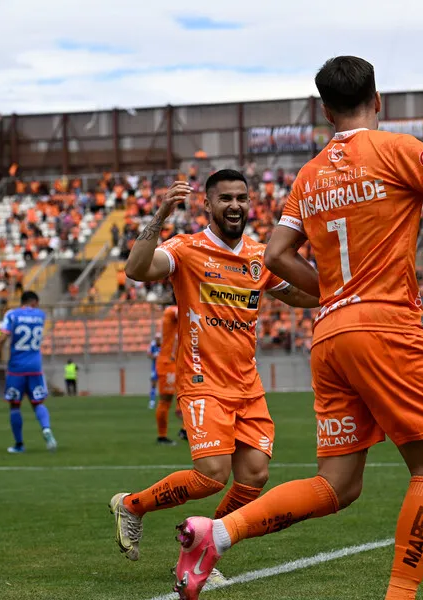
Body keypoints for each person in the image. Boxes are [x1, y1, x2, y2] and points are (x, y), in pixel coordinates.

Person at [171, 56, 423, 599]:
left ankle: (218, 533)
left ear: (325, 111)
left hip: (330, 335)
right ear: (378, 100)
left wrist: (335, 293)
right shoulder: (396, 149)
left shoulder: (310, 175)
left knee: (338, 483)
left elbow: (276, 254)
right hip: (387, 326)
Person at [109, 170, 319, 577]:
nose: (235, 205)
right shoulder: (186, 249)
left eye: (241, 197)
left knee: (254, 475)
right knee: (211, 476)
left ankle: (202, 550)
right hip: (202, 382)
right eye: (225, 198)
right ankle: (132, 505)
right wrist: (160, 215)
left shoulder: (261, 256)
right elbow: (136, 268)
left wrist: (342, 289)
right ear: (207, 204)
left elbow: (299, 294)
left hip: (247, 385)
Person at [0, 291, 58, 453]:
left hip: (16, 368)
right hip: (35, 367)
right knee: (37, 403)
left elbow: (2, 338)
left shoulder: (12, 315)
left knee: (15, 405)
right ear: (34, 302)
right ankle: (46, 429)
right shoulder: (40, 316)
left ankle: (19, 444)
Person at [154, 301, 185, 444]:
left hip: (176, 362)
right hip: (168, 363)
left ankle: (185, 429)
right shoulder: (172, 310)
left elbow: (158, 339)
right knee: (166, 400)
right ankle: (162, 436)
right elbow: (182, 313)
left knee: (188, 394)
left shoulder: (168, 316)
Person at [147, 333, 161, 410]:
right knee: (153, 384)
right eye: (156, 339)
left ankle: (164, 402)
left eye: (159, 339)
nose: (157, 340)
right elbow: (148, 354)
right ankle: (152, 402)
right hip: (155, 368)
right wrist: (154, 356)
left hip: (163, 368)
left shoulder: (163, 345)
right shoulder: (152, 345)